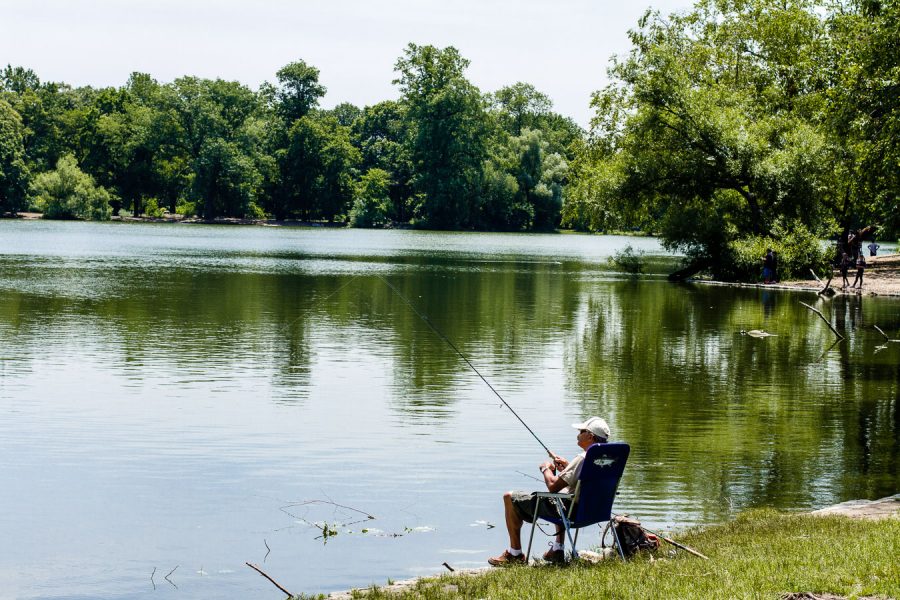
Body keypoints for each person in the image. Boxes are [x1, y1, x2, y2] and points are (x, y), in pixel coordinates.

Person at [487, 416, 611, 566]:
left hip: (573, 512)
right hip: (595, 511)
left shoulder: (583, 458)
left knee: (509, 497)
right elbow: (586, 481)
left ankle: (515, 554)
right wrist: (567, 468)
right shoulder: (607, 458)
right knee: (562, 494)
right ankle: (557, 549)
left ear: (590, 436)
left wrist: (546, 469)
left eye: (581, 431)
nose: (578, 433)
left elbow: (552, 486)